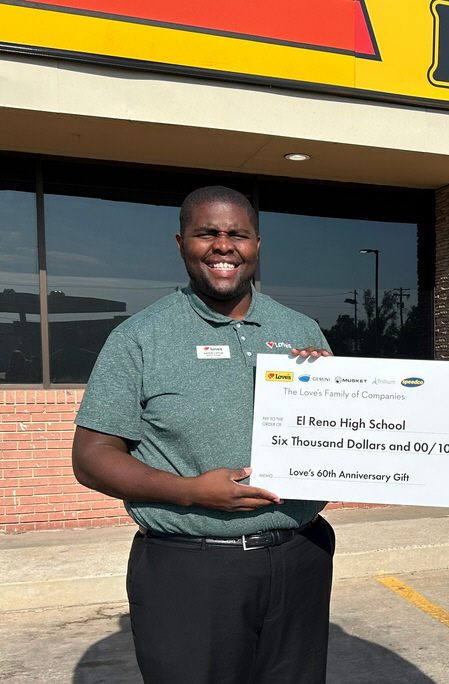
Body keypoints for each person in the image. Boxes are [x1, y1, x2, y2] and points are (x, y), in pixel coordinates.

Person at [72, 186, 334, 684]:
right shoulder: (140, 337)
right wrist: (192, 491)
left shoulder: (301, 330)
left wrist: (334, 390)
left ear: (257, 244)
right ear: (180, 243)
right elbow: (91, 456)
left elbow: (342, 433)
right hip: (190, 569)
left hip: (301, 556)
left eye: (237, 234)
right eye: (206, 233)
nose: (223, 245)